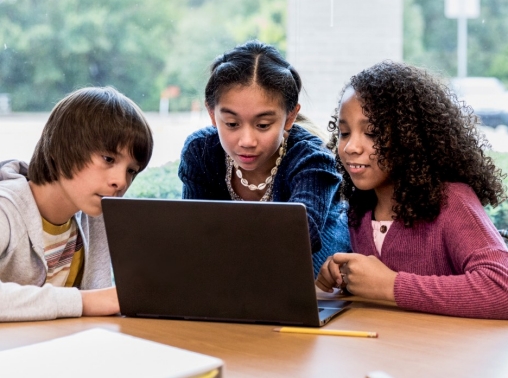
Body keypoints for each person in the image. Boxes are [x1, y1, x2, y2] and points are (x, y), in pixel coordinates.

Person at [315, 61, 508, 319]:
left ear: (411, 137)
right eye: (344, 132)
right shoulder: (361, 211)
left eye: (371, 133)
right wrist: (341, 279)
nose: (350, 147)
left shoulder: (452, 201)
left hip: (444, 356)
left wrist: (390, 286)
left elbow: (501, 288)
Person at [178, 40, 350, 276]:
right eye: (231, 124)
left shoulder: (312, 160)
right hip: (231, 284)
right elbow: (194, 235)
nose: (247, 140)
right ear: (211, 113)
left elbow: (295, 241)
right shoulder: (201, 151)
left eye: (262, 125)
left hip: (315, 286)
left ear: (290, 118)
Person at [0, 86, 153, 322]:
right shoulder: (5, 209)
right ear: (61, 147)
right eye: (108, 159)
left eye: (131, 171)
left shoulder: (97, 213)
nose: (120, 181)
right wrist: (87, 301)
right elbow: (94, 303)